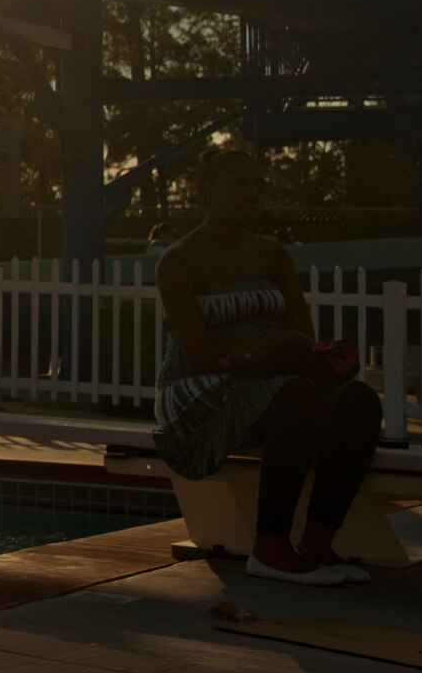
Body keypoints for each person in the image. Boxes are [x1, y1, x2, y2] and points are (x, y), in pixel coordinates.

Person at [154, 146, 381, 587]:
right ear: (206, 194)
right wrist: (273, 343)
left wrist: (262, 348)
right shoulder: (180, 260)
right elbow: (202, 354)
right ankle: (271, 546)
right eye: (240, 185)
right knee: (296, 396)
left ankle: (317, 541)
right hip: (198, 391)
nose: (253, 196)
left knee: (358, 401)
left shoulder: (273, 254)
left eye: (258, 187)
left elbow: (303, 337)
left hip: (270, 379)